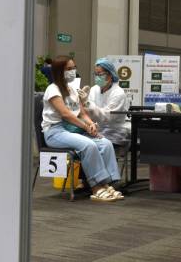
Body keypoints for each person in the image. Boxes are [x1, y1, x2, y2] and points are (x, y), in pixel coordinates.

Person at [41, 55, 123, 202]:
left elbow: (81, 113)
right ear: (60, 71)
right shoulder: (52, 89)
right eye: (69, 69)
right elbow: (66, 114)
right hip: (55, 131)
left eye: (74, 68)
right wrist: (85, 126)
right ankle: (96, 187)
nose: (73, 71)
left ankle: (108, 184)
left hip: (72, 130)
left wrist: (91, 124)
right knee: (88, 145)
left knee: (105, 143)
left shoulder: (73, 90)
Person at [78, 58, 130, 147]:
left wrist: (87, 102)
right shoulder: (94, 89)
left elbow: (107, 117)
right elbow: (88, 114)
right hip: (96, 128)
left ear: (110, 75)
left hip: (115, 130)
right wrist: (81, 102)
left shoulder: (118, 93)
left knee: (95, 146)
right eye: (95, 74)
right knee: (81, 144)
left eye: (100, 74)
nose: (97, 77)